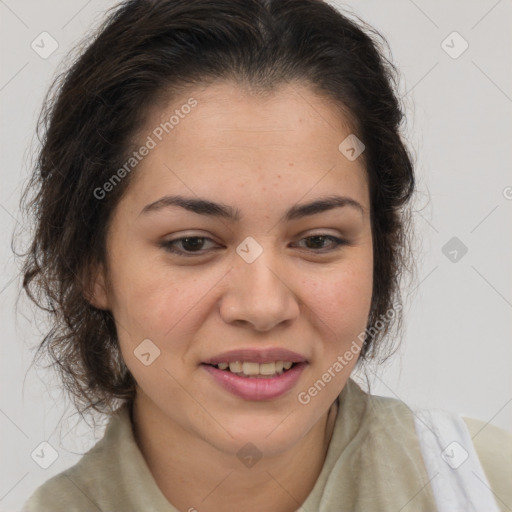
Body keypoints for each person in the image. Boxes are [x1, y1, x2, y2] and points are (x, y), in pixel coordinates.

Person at [17, 0, 511, 511]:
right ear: (90, 262)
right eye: (192, 243)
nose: (263, 305)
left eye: (318, 240)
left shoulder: (486, 486)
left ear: (382, 249)